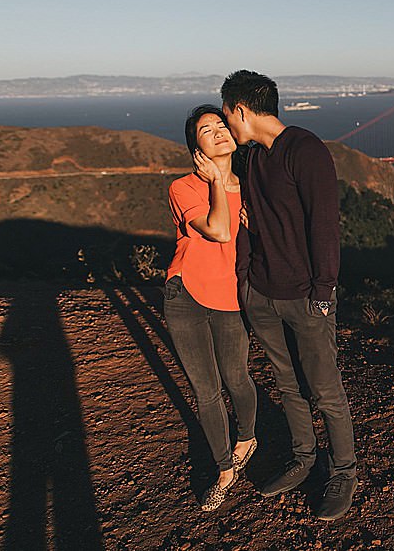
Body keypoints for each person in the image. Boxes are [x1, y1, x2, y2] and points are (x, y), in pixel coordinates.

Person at [221, 70, 357, 521]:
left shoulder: (305, 149)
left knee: (325, 389)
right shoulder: (255, 158)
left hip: (306, 297)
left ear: (240, 109)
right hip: (263, 293)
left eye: (226, 116)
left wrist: (323, 292)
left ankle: (343, 472)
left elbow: (325, 225)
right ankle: (303, 459)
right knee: (287, 384)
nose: (227, 126)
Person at [164, 105, 258, 511]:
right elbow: (219, 230)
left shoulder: (253, 187)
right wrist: (218, 182)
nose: (219, 131)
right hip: (184, 294)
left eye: (222, 124)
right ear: (196, 148)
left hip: (230, 297)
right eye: (206, 130)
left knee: (237, 378)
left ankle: (247, 438)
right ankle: (224, 470)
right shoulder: (183, 187)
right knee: (206, 390)